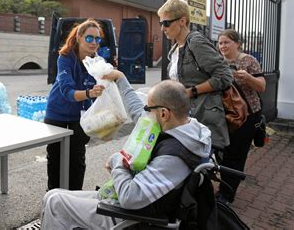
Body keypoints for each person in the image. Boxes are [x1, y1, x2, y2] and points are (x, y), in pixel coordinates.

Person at [41, 71, 212, 229]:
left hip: (131, 217)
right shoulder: (184, 129)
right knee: (53, 194)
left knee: (55, 203)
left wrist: (118, 162)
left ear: (164, 114)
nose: (145, 113)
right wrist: (121, 78)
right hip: (133, 204)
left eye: (148, 108)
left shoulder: (174, 156)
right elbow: (137, 110)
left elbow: (131, 197)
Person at [158, 0, 233, 148]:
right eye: (161, 23)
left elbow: (225, 75)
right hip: (186, 120)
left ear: (182, 21)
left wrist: (190, 92)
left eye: (166, 23)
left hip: (204, 120)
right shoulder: (173, 51)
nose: (162, 28)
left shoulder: (195, 42)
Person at [45, 19, 105, 191]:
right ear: (79, 37)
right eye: (89, 38)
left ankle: (74, 201)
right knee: (55, 161)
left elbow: (105, 88)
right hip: (57, 115)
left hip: (80, 118)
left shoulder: (98, 63)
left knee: (77, 161)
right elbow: (67, 91)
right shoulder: (65, 58)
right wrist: (89, 93)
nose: (94, 42)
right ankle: (54, 200)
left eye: (97, 39)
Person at [216, 29, 266, 204]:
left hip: (247, 116)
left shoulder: (248, 61)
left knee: (236, 155)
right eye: (220, 43)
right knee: (223, 153)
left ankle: (226, 195)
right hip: (225, 115)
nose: (222, 46)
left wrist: (248, 78)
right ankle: (225, 186)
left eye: (226, 42)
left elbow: (262, 86)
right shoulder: (218, 62)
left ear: (238, 43)